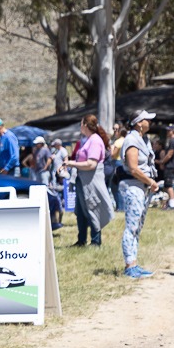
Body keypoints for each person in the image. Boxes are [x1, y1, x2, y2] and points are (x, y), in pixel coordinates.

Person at [61, 114, 114, 247]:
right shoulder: (88, 140)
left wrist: (71, 163)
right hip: (82, 180)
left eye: (81, 123)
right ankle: (81, 240)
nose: (80, 126)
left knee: (93, 208)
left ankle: (95, 241)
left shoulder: (95, 141)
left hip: (91, 181)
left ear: (85, 125)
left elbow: (91, 164)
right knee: (80, 211)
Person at [118, 110, 160, 278]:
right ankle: (129, 265)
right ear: (138, 122)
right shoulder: (131, 140)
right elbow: (133, 168)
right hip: (133, 186)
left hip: (142, 187)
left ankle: (134, 263)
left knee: (137, 227)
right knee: (132, 226)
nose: (149, 122)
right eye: (146, 119)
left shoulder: (143, 140)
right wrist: (150, 181)